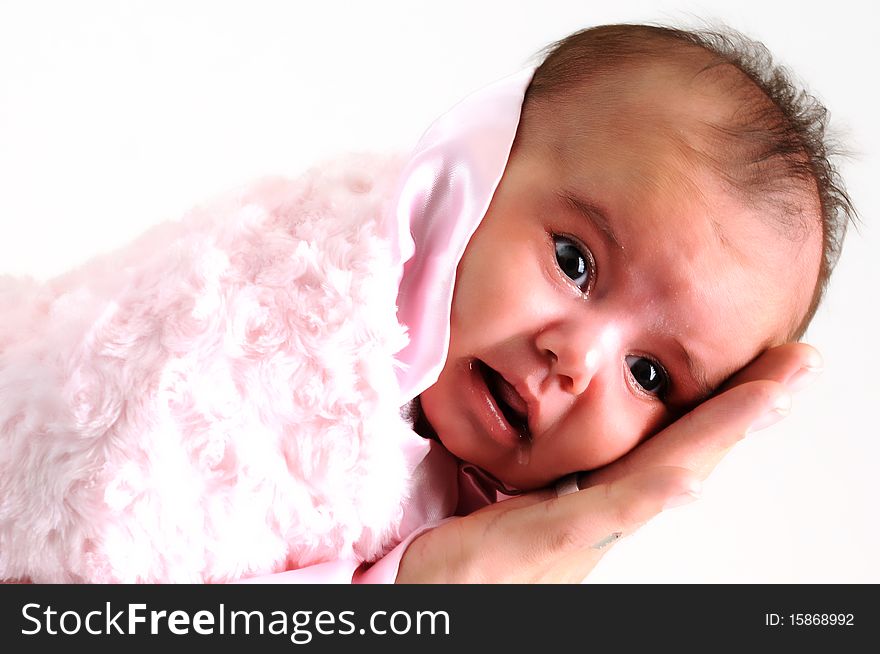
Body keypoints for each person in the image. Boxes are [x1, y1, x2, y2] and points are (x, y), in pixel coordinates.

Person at [0, 24, 853, 584]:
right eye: (575, 262)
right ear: (467, 185)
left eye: (649, 372)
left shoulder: (489, 526)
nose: (576, 359)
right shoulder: (285, 320)